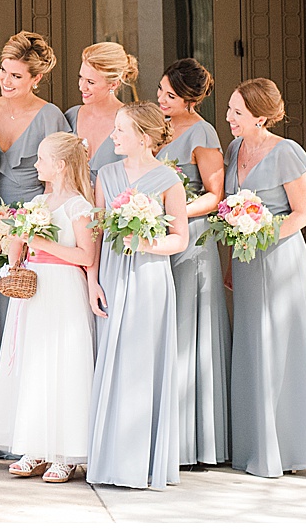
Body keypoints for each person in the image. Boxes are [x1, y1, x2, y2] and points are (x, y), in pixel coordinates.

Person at [224, 78, 306, 478]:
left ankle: (288, 448)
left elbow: (301, 215)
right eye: (230, 109)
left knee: (279, 347)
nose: (229, 118)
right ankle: (253, 445)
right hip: (244, 261)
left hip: (279, 260)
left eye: (237, 112)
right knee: (252, 346)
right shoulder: (234, 149)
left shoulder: (288, 152)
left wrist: (260, 232)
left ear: (260, 117)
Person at [0, 131, 101, 483]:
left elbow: (86, 256)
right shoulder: (39, 203)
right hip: (34, 289)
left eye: (40, 159)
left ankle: (66, 453)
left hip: (64, 289)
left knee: (63, 364)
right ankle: (34, 446)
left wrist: (39, 241)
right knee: (34, 364)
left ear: (61, 165)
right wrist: (14, 242)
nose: (35, 165)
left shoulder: (79, 207)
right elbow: (23, 248)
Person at [88, 101, 189, 491]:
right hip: (111, 277)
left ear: (143, 138)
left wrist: (145, 242)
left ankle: (143, 463)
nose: (112, 135)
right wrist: (93, 281)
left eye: (120, 130)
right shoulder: (106, 175)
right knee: (111, 364)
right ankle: (110, 460)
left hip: (149, 280)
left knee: (143, 365)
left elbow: (179, 238)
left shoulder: (168, 180)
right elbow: (95, 232)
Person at [156, 58, 229, 468]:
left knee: (189, 333)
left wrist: (176, 214)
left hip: (191, 242)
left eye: (170, 95)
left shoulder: (203, 133)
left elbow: (214, 195)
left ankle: (192, 442)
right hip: (159, 237)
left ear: (190, 99)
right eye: (161, 90)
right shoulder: (158, 125)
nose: (162, 99)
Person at [0, 31, 67, 352]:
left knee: (26, 302)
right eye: (3, 71)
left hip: (33, 224)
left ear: (36, 78)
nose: (6, 80)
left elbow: (59, 182)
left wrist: (37, 228)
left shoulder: (51, 117)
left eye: (16, 75)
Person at [69, 41, 138, 185]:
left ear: (113, 84)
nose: (82, 87)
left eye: (90, 82)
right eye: (81, 77)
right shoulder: (70, 116)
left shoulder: (132, 121)